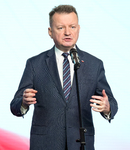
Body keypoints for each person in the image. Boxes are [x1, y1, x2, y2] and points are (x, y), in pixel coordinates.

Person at [10, 5, 118, 150]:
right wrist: (23, 103)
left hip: (81, 144)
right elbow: (14, 105)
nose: (68, 32)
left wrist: (107, 107)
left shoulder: (94, 64)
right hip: (45, 144)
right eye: (60, 28)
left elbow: (112, 103)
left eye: (72, 27)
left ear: (78, 29)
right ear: (50, 31)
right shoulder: (35, 64)